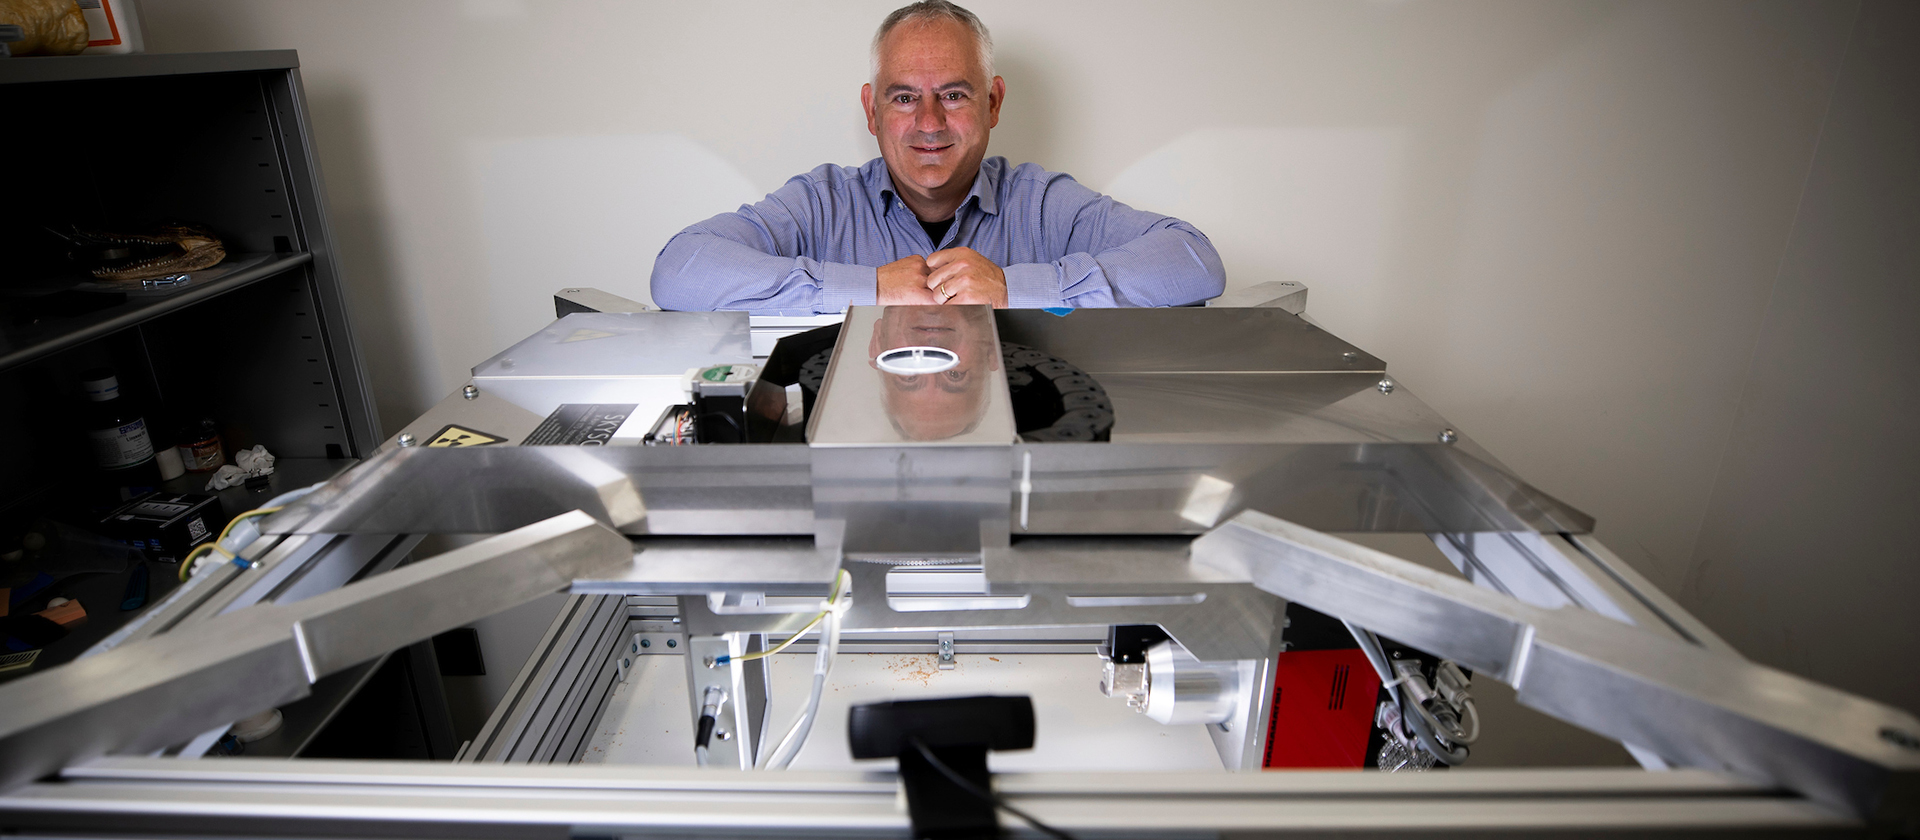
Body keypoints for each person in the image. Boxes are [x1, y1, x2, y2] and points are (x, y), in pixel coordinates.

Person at [649, 0, 1225, 313]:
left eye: (953, 94)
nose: (929, 123)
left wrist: (1013, 288)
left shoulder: (1043, 203)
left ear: (993, 103)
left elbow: (1194, 261)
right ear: (871, 112)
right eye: (904, 98)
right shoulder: (820, 203)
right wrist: (868, 288)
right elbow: (680, 270)